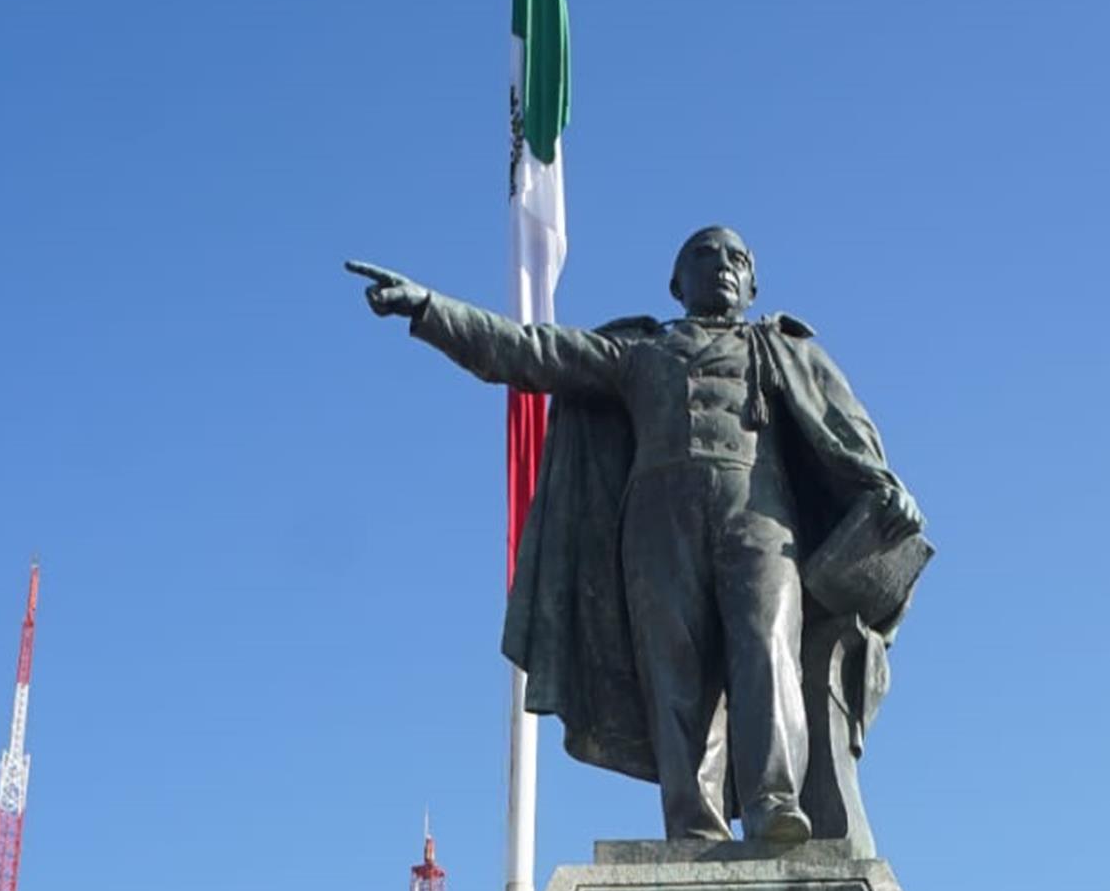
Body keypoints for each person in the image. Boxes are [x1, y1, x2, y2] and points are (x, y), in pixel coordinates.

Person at [349, 229, 927, 849]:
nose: (723, 266)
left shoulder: (784, 352)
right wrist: (431, 311)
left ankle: (773, 803)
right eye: (705, 255)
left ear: (753, 286)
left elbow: (843, 427)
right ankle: (694, 825)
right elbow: (528, 351)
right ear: (677, 283)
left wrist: (883, 485)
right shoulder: (637, 351)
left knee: (767, 647)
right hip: (656, 519)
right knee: (676, 671)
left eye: (738, 259)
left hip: (761, 514)